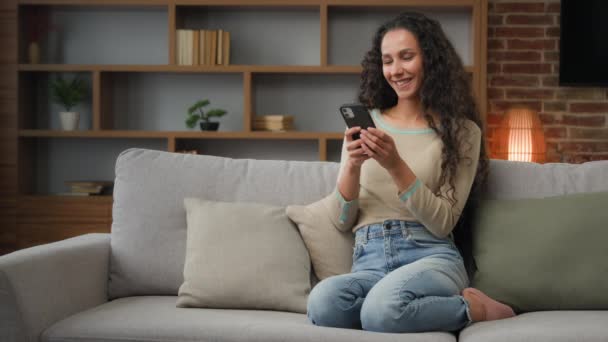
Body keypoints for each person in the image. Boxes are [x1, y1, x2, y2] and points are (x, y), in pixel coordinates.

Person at [306, 12, 516, 333]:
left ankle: (475, 307)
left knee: (382, 310)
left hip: (429, 255)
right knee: (322, 304)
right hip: (369, 259)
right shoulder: (369, 123)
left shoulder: (461, 133)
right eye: (387, 61)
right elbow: (341, 220)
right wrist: (352, 165)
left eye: (407, 57)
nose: (396, 70)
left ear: (430, 60)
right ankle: (394, 309)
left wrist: (395, 165)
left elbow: (443, 221)